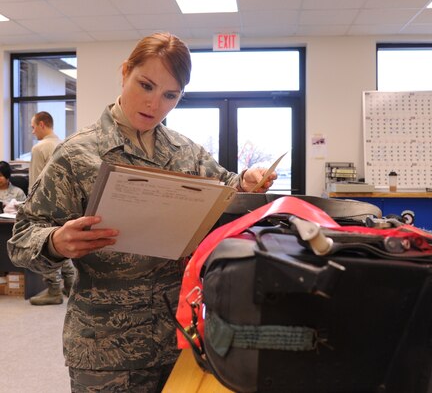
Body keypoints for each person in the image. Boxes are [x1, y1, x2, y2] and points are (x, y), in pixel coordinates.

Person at [8, 32, 276, 392]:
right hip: (104, 346)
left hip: (177, 334)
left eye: (170, 95)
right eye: (145, 85)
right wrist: (56, 241)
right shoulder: (76, 154)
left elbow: (226, 190)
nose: (154, 103)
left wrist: (246, 180)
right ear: (125, 72)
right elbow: (23, 238)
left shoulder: (186, 153)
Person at [28, 111, 77, 306]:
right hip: (66, 204)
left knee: (47, 247)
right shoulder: (66, 144)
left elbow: (35, 181)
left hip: (46, 205)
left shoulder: (40, 148)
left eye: (33, 127)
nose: (33, 132)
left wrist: (29, 208)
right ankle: (70, 284)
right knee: (62, 245)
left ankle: (53, 289)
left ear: (42, 124)